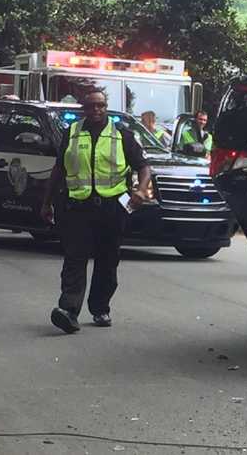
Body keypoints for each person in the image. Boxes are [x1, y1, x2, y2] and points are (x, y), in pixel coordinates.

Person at [42, 89, 151, 333]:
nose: (96, 110)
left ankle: (100, 308)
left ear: (106, 107)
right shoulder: (71, 133)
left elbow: (144, 167)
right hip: (77, 207)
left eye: (100, 106)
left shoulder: (122, 135)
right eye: (91, 106)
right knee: (74, 258)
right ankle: (68, 310)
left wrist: (141, 190)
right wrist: (46, 202)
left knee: (107, 260)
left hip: (112, 208)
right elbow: (59, 170)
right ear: (84, 109)